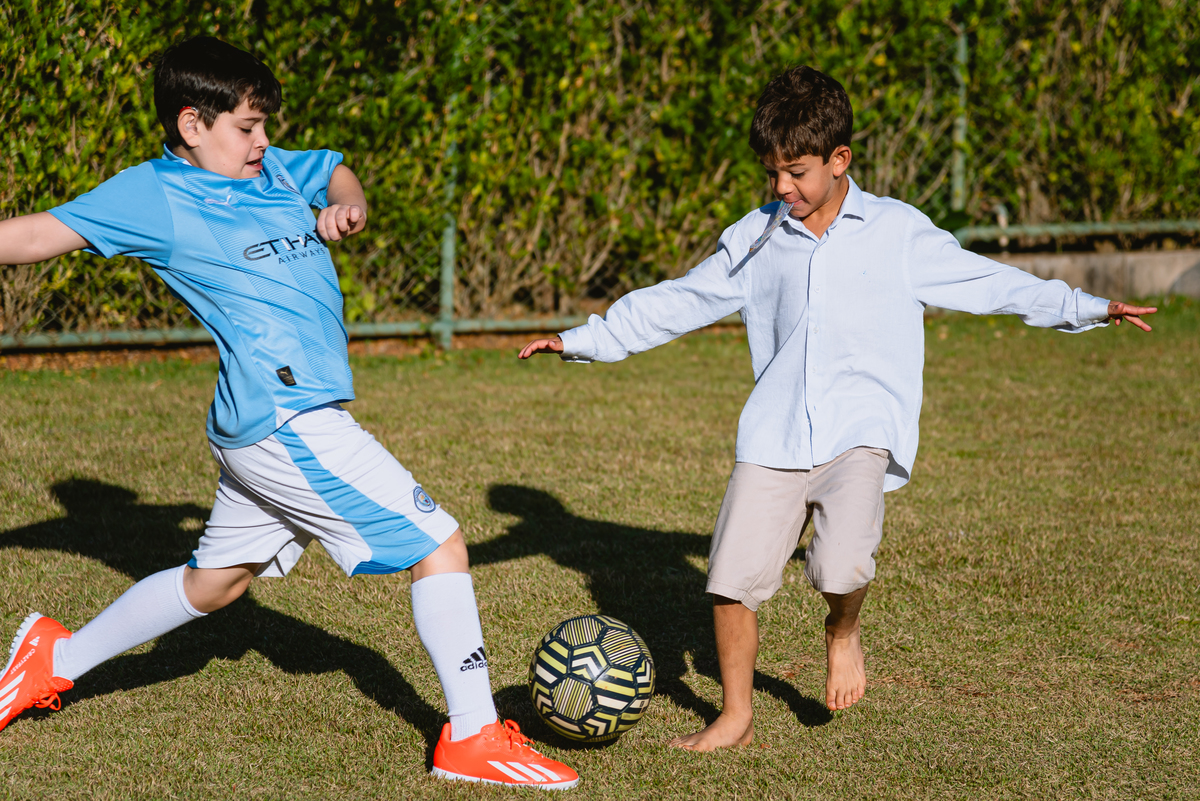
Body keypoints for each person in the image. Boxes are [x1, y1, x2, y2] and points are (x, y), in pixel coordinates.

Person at [519, 65, 1156, 752]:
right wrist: (584, 339)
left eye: (795, 172)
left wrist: (1086, 307)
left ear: (839, 159)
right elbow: (680, 299)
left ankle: (842, 629)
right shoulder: (757, 237)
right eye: (772, 173)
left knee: (840, 568)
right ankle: (735, 715)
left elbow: (988, 282)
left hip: (861, 431)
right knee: (731, 581)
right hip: (775, 432)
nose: (781, 187)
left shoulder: (897, 233)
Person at [0, 36, 578, 790]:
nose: (265, 141)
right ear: (191, 124)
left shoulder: (268, 165)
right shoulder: (154, 194)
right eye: (247, 126)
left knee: (216, 583)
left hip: (266, 422)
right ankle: (471, 735)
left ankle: (55, 656)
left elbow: (332, 164)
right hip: (287, 418)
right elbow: (40, 233)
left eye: (266, 124)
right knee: (439, 542)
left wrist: (347, 198)